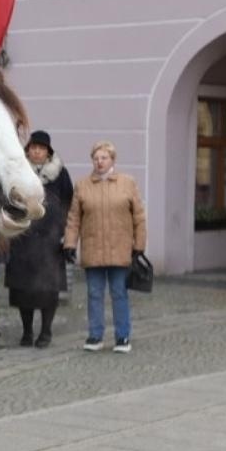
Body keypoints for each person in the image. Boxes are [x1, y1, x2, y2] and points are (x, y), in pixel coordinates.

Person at [63, 141, 146, 353]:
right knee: (94, 293)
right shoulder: (82, 185)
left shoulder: (127, 183)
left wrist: (139, 244)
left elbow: (139, 216)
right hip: (93, 248)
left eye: (104, 158)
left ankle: (122, 336)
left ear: (112, 160)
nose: (99, 162)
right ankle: (95, 335)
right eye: (96, 158)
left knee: (119, 293)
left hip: (120, 248)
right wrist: (70, 243)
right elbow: (74, 218)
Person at [5, 130, 73, 348]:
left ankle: (45, 332)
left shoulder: (60, 174)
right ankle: (26, 332)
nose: (37, 151)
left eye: (41, 149)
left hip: (50, 241)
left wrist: (63, 231)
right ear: (28, 150)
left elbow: (68, 202)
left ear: (48, 152)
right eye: (33, 148)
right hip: (23, 238)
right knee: (23, 289)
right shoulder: (18, 172)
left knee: (48, 289)